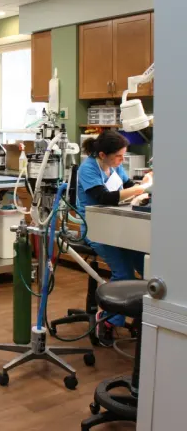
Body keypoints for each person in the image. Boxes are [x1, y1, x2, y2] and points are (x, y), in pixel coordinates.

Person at [77, 131, 152, 347]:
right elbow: (105, 197)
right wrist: (140, 189)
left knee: (146, 265)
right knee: (123, 272)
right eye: (118, 156)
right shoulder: (88, 169)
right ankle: (109, 321)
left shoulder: (115, 165)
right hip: (96, 228)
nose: (121, 160)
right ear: (102, 154)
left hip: (118, 226)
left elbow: (126, 185)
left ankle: (142, 317)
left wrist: (142, 183)